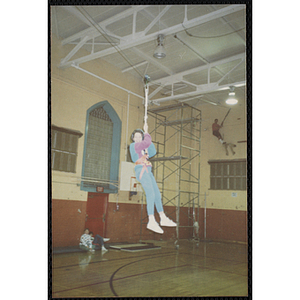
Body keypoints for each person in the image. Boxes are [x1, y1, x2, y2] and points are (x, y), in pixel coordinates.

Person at [129, 123, 176, 234]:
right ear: (133, 138)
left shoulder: (143, 147)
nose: (138, 138)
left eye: (140, 137)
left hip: (148, 171)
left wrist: (147, 138)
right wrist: (146, 133)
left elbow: (153, 151)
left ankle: (162, 217)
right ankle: (151, 220)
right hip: (141, 170)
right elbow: (147, 142)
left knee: (157, 194)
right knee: (150, 194)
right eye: (135, 137)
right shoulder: (133, 146)